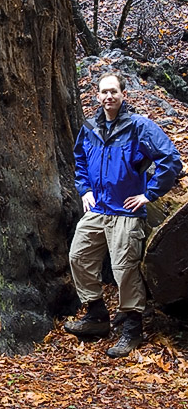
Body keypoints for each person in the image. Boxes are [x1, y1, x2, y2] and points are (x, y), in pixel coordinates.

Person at [65, 71, 182, 358]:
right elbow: (79, 158)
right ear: (97, 95)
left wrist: (149, 194)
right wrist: (84, 189)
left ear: (122, 94)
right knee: (78, 257)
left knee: (124, 269)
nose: (108, 97)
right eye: (104, 92)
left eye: (113, 91)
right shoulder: (90, 127)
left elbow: (171, 160)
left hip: (126, 212)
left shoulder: (139, 127)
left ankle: (132, 327)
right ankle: (96, 316)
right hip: (99, 208)